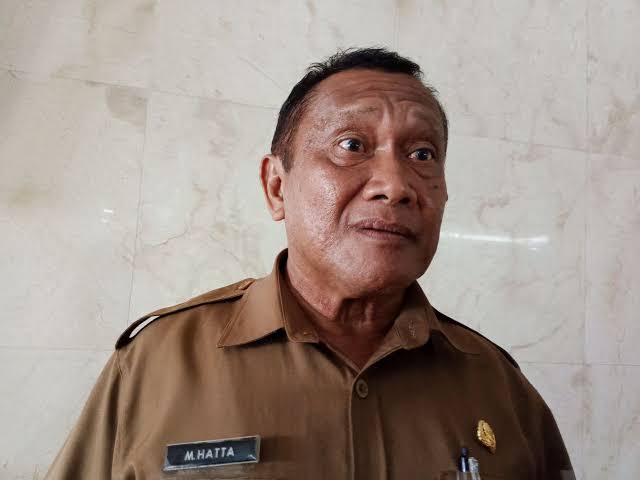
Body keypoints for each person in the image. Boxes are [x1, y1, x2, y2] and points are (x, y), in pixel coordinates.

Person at [45, 48, 574, 480]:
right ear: (277, 187)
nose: (396, 186)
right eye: (352, 145)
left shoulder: (499, 386)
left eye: (422, 155)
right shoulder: (155, 365)